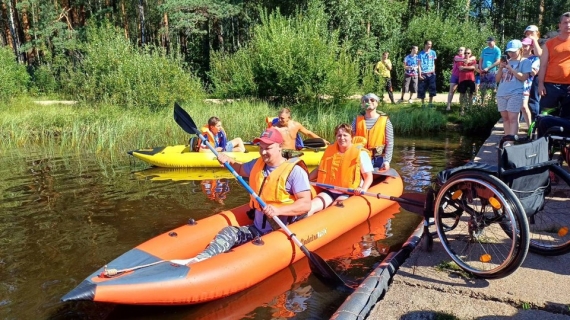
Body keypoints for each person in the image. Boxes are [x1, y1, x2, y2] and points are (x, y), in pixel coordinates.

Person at [184, 128, 313, 264]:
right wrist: (227, 159)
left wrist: (279, 210)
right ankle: (201, 260)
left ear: (280, 147)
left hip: (280, 232)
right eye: (261, 147)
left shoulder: (295, 172)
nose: (263, 152)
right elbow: (239, 168)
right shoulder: (257, 164)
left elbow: (305, 204)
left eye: (268, 148)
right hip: (257, 229)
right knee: (229, 231)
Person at [306, 123, 374, 216]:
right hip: (330, 190)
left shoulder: (361, 154)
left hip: (348, 192)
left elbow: (368, 176)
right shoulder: (330, 151)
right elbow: (319, 169)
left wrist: (363, 189)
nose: (342, 138)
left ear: (351, 137)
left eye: (345, 135)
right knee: (311, 207)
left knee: (333, 210)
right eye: (339, 135)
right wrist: (307, 179)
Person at [496, 39, 531, 138]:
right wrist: (500, 68)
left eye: (513, 51)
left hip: (515, 92)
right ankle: (507, 138)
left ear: (520, 50)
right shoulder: (506, 61)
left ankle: (511, 140)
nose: (511, 53)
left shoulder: (525, 61)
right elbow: (497, 80)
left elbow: (524, 77)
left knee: (513, 118)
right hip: (501, 93)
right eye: (509, 51)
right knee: (505, 118)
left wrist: (511, 69)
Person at [538, 12, 570, 119]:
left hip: (569, 87)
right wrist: (541, 84)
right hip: (550, 86)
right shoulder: (549, 44)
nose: (568, 25)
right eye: (565, 22)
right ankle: (542, 136)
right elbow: (542, 65)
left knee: (567, 119)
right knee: (545, 116)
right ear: (560, 25)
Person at [352, 93, 394, 170]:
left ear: (377, 103)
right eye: (366, 100)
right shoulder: (356, 121)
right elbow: (351, 139)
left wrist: (387, 161)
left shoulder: (385, 121)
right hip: (360, 157)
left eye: (372, 100)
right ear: (363, 104)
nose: (369, 102)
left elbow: (390, 143)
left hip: (378, 159)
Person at [521, 37, 541, 129]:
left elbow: (533, 72)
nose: (523, 47)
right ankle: (514, 130)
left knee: (525, 107)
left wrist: (524, 64)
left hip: (528, 85)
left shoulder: (535, 58)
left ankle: (531, 128)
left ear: (531, 47)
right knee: (518, 108)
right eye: (522, 45)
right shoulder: (517, 57)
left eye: (525, 45)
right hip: (516, 84)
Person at [479, 36, 502, 104]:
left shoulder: (497, 50)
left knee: (493, 88)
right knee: (482, 88)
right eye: (488, 42)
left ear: (494, 41)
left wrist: (488, 68)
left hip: (492, 71)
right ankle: (482, 103)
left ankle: (492, 103)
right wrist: (480, 68)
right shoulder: (485, 49)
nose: (489, 43)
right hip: (483, 71)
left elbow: (498, 61)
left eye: (490, 42)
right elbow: (481, 59)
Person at [417, 40, 437, 108]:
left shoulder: (433, 53)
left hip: (431, 73)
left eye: (430, 44)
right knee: (422, 89)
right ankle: (422, 104)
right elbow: (419, 65)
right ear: (425, 44)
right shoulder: (420, 54)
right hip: (423, 73)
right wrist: (419, 75)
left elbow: (434, 63)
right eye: (428, 44)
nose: (429, 46)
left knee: (432, 88)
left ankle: (430, 103)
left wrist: (433, 71)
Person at [457, 48, 477, 115]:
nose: (466, 54)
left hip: (471, 79)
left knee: (471, 95)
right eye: (465, 53)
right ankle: (462, 110)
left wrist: (464, 68)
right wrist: (469, 68)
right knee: (462, 94)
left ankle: (470, 109)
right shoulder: (460, 60)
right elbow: (460, 68)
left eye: (468, 53)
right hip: (462, 79)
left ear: (471, 54)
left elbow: (473, 68)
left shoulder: (473, 60)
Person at [446, 47, 466, 111]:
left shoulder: (467, 57)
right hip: (455, 75)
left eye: (461, 50)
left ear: (464, 51)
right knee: (451, 90)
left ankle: (462, 107)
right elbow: (457, 60)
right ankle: (448, 106)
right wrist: (466, 60)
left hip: (462, 76)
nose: (460, 51)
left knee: (462, 92)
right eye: (459, 50)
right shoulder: (456, 57)